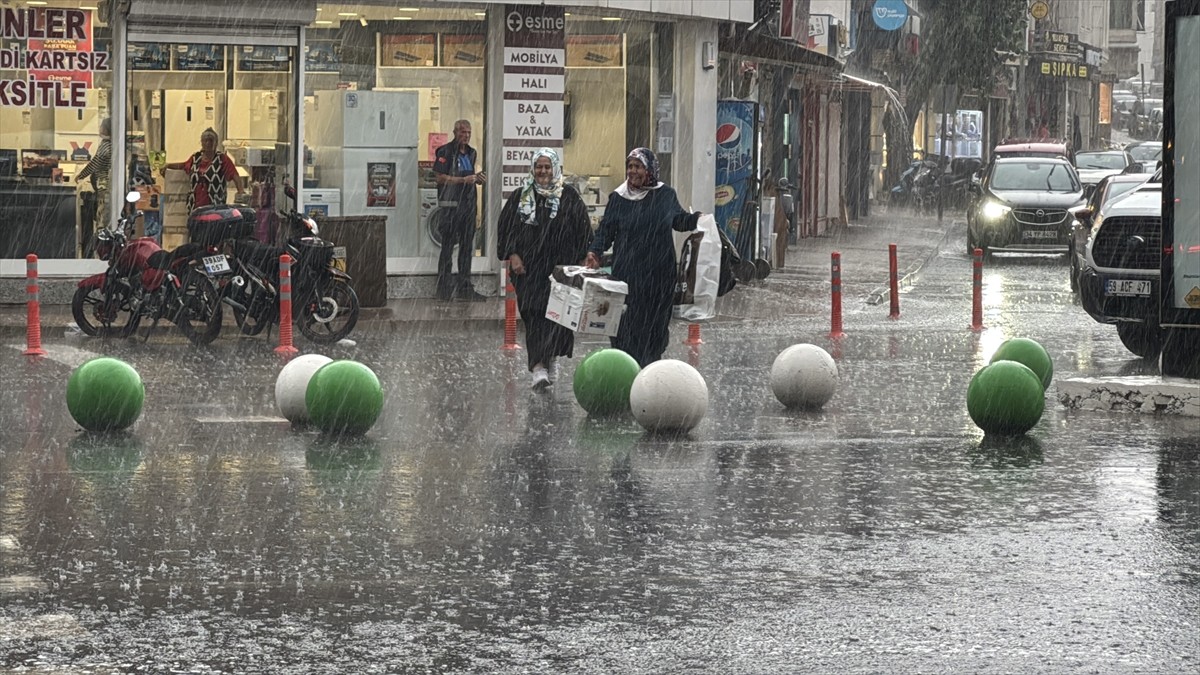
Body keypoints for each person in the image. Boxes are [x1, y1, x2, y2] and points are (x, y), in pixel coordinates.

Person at [585, 147, 700, 368]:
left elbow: (679, 220)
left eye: (638, 166)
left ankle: (650, 369)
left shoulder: (665, 195)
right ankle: (628, 370)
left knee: (656, 326)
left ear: (649, 170)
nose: (632, 171)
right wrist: (594, 252)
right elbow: (606, 230)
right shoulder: (619, 198)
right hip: (628, 275)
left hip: (660, 275)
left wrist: (697, 220)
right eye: (629, 166)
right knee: (625, 326)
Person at [497, 148, 593, 389]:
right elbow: (506, 229)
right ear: (532, 168)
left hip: (560, 271)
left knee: (557, 317)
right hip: (529, 271)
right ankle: (538, 367)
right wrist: (513, 254)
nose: (543, 171)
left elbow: (583, 228)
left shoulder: (568, 196)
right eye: (539, 166)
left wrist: (585, 256)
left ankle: (550, 357)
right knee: (534, 313)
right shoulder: (521, 197)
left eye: (547, 167)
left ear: (555, 169)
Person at [433, 119, 487, 301]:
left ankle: (465, 286)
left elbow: (470, 177)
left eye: (469, 133)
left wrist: (477, 179)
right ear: (455, 132)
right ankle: (444, 288)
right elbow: (440, 178)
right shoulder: (445, 151)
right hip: (450, 206)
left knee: (467, 248)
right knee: (447, 247)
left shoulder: (472, 153)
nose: (466, 136)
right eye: (463, 132)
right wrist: (462, 181)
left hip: (468, 205)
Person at [161, 127, 244, 212]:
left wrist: (241, 193)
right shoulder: (195, 158)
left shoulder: (222, 159)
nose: (208, 143)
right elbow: (184, 165)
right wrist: (168, 165)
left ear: (216, 143)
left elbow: (235, 176)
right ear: (202, 142)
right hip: (195, 207)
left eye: (211, 140)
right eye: (205, 140)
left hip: (215, 207)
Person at [75, 117, 112, 236]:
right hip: (103, 184)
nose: (99, 128)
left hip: (103, 184)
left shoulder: (106, 146)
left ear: (106, 129)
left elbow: (95, 163)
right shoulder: (109, 144)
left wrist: (82, 175)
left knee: (102, 210)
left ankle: (101, 235)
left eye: (102, 126)